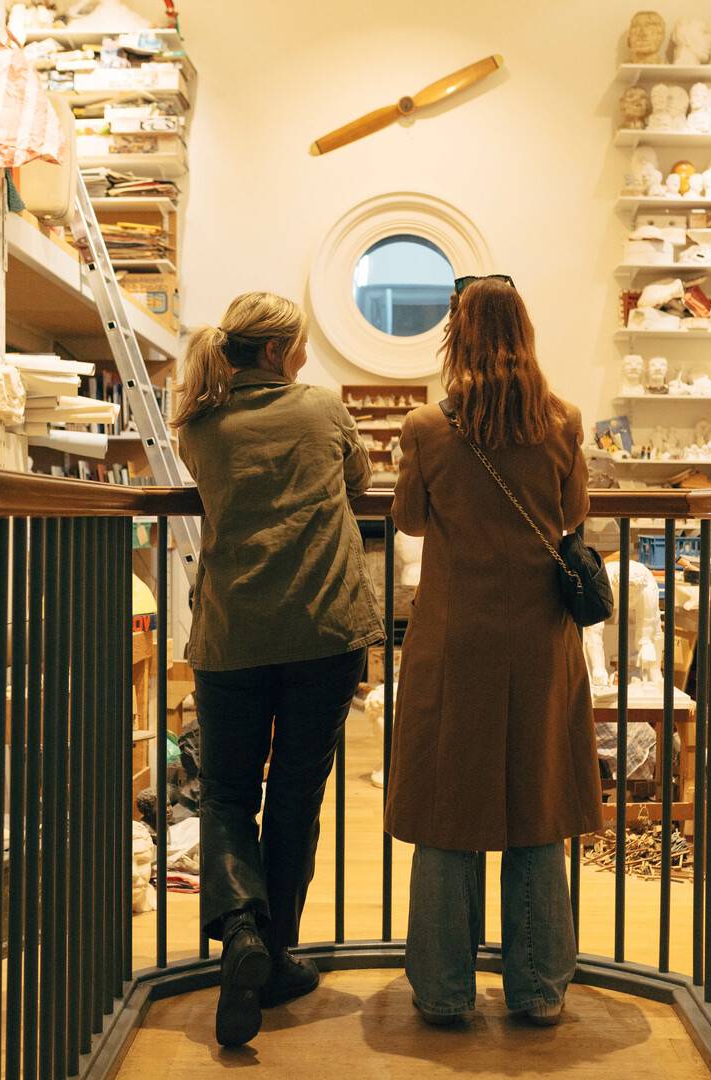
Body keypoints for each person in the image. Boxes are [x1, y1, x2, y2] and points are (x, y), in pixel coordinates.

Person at [386, 276, 601, 1027]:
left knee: (450, 809)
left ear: (458, 337)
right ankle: (538, 990)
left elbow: (410, 520)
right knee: (536, 806)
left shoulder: (426, 426)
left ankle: (445, 992)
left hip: (455, 640)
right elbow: (572, 514)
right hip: (541, 639)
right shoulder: (563, 420)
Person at [174, 291, 384, 1048]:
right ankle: (279, 953)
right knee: (296, 794)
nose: (302, 357)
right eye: (297, 345)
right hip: (321, 632)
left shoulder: (197, 424)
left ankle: (240, 934)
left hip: (231, 637)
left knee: (227, 792)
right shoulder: (323, 411)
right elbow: (357, 481)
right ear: (273, 353)